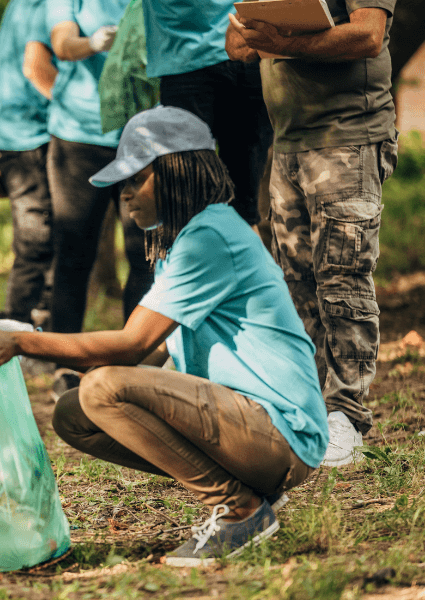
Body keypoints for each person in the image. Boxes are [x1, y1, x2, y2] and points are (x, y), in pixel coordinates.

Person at [0, 106, 327, 566]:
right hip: (252, 429)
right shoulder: (185, 242)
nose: (125, 195)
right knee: (75, 412)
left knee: (102, 390)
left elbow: (132, 344)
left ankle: (239, 509)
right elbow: (148, 359)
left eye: (135, 180)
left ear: (175, 171)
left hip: (281, 433)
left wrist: (28, 341)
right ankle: (249, 491)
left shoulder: (210, 234)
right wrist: (42, 347)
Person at [227, 0, 398, 467]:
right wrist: (256, 33)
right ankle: (311, 410)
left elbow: (367, 35)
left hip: (348, 136)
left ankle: (347, 415)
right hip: (288, 143)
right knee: (296, 282)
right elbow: (237, 46)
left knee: (342, 275)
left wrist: (285, 44)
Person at [44, 0, 154, 399]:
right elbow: (62, 44)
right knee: (74, 253)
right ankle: (65, 367)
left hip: (141, 137)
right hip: (79, 136)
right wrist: (92, 42)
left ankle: (133, 362)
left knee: (144, 252)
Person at [140, 0, 273, 229]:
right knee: (183, 200)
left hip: (246, 56)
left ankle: (240, 260)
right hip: (184, 63)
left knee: (244, 203)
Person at [0, 0, 57, 328]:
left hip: (11, 134)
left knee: (50, 240)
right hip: (24, 137)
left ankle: (38, 331)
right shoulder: (43, 6)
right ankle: (13, 330)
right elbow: (35, 69)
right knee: (37, 243)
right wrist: (82, 113)